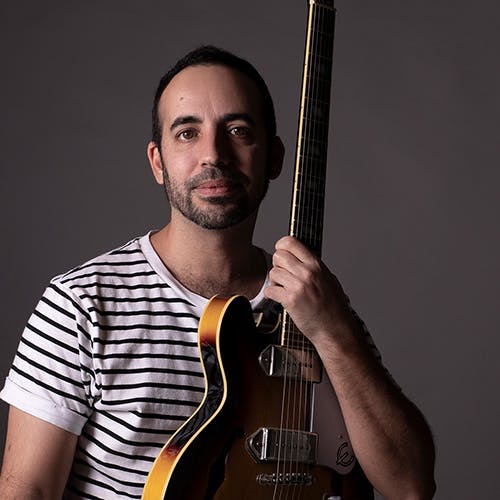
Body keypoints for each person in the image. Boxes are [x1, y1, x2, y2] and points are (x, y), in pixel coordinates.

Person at [0, 46, 436, 499]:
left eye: (238, 131)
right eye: (187, 133)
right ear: (158, 162)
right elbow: (27, 490)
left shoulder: (316, 304)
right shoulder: (81, 304)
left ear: (274, 158)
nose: (214, 154)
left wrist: (334, 332)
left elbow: (411, 486)